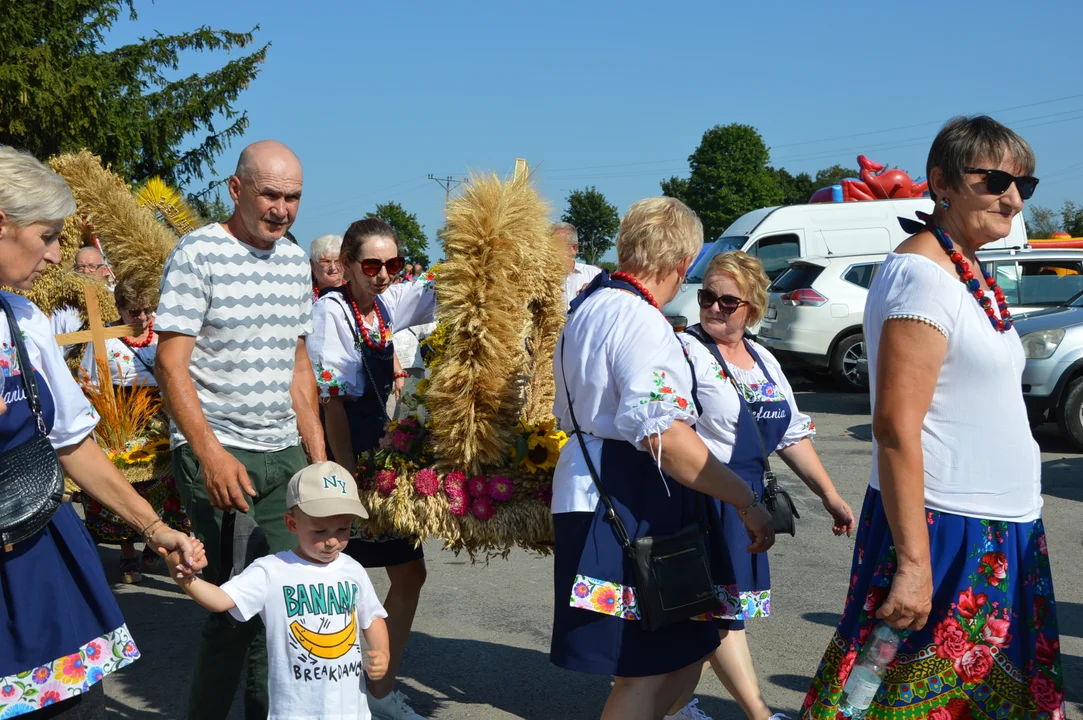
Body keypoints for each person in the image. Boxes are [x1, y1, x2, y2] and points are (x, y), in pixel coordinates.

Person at [802, 116, 1064, 718]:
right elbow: (895, 426)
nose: (1013, 197)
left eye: (1025, 184)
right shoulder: (922, 275)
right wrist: (915, 564)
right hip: (946, 526)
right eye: (995, 179)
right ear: (941, 182)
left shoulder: (964, 269)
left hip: (999, 523)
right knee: (895, 699)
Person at [550, 196, 775, 720]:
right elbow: (664, 436)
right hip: (623, 494)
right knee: (643, 670)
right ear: (682, 263)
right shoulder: (639, 319)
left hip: (591, 486)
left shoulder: (590, 305)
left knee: (677, 654)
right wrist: (746, 501)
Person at [0, 145, 205, 719]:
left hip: (36, 545)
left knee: (73, 708)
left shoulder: (23, 320)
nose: (57, 254)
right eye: (48, 236)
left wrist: (154, 526)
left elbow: (71, 443)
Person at [155, 139, 327, 719]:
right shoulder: (197, 253)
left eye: (293, 197)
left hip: (283, 454)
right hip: (218, 450)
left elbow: (297, 364)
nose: (282, 209)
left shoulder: (293, 261)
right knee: (232, 608)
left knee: (290, 602)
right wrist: (208, 453)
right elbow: (171, 363)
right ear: (236, 190)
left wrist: (318, 457)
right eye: (270, 194)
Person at [666, 251, 854, 720]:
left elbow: (791, 435)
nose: (713, 307)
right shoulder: (684, 351)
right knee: (716, 617)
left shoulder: (764, 359)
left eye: (727, 301)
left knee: (712, 618)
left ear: (752, 306)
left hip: (747, 499)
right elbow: (673, 434)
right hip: (701, 498)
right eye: (707, 296)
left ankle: (672, 707)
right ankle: (755, 714)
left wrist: (829, 495)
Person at [307, 217, 435, 720]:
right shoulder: (331, 312)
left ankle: (377, 688)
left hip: (382, 454)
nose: (383, 274)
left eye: (393, 264)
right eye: (372, 265)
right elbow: (333, 402)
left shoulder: (385, 304)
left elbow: (436, 290)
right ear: (346, 266)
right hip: (351, 456)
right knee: (340, 580)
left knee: (410, 574)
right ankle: (345, 697)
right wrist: (344, 478)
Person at [164, 461, 391, 720]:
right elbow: (221, 600)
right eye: (319, 530)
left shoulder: (352, 569)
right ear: (292, 524)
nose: (332, 540)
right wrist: (185, 579)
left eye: (343, 529)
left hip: (350, 709)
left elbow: (371, 616)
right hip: (295, 711)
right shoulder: (272, 571)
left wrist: (382, 651)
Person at [78, 278, 189, 584]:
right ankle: (128, 555)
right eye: (134, 312)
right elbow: (89, 384)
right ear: (119, 309)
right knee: (127, 485)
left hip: (162, 417)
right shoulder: (104, 339)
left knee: (166, 484)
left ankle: (160, 542)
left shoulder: (161, 335)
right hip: (123, 417)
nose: (142, 318)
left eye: (147, 310)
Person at [51, 246, 113, 356]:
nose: (85, 271)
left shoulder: (116, 300)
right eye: (80, 267)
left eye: (92, 266)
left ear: (104, 270)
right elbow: (56, 348)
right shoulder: (63, 307)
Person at [554, 221, 602, 308]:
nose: (550, 251)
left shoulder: (595, 275)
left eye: (556, 247)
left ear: (574, 248)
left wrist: (597, 290)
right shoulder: (541, 279)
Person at [310, 233, 345, 300]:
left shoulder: (356, 294)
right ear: (313, 265)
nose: (333, 267)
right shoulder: (304, 295)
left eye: (337, 261)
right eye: (326, 261)